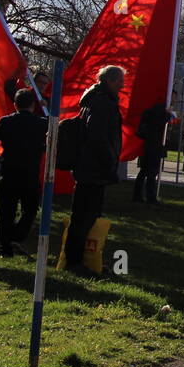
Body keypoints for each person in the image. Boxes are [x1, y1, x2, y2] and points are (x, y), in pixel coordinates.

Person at [67, 65, 124, 277]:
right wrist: (109, 160)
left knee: (87, 216)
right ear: (110, 81)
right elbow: (98, 137)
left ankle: (84, 258)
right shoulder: (102, 103)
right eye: (119, 81)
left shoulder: (95, 100)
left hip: (90, 167)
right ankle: (74, 261)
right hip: (93, 168)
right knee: (84, 216)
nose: (122, 85)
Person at [0, 87, 47, 257]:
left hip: (9, 171)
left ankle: (5, 248)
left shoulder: (6, 121)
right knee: (30, 209)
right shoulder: (41, 123)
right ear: (33, 105)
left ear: (15, 105)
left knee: (6, 212)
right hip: (30, 173)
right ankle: (16, 236)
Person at [133, 102, 174, 205]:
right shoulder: (158, 111)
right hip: (153, 146)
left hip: (151, 146)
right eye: (173, 96)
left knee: (144, 172)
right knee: (150, 173)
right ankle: (150, 197)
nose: (174, 100)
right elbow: (157, 125)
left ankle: (138, 195)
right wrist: (167, 115)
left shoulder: (155, 110)